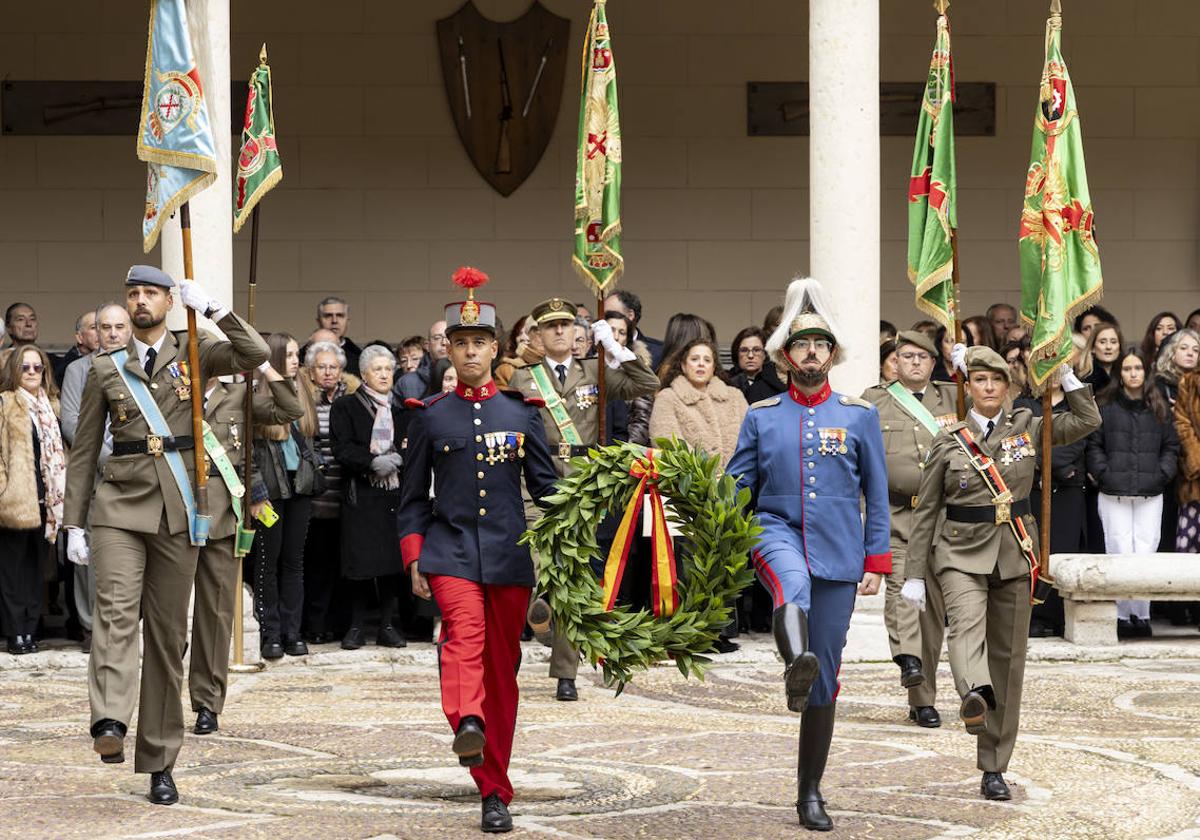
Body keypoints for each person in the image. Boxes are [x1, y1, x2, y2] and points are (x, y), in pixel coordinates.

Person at [63, 266, 268, 805]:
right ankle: (108, 718)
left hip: (180, 510)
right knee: (113, 610)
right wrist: (73, 522)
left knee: (166, 637)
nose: (140, 301)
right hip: (118, 506)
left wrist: (216, 310)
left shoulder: (199, 351)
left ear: (170, 300)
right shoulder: (106, 367)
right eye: (132, 293)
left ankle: (159, 761)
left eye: (150, 292)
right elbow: (85, 450)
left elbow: (254, 355)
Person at [726, 277, 889, 832]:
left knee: (828, 678)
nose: (812, 351)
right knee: (788, 584)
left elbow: (878, 493)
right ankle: (794, 661)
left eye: (821, 344)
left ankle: (810, 792)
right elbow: (735, 483)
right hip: (776, 530)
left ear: (833, 354)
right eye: (802, 344)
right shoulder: (762, 414)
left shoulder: (859, 415)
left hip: (841, 551)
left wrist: (876, 559)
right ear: (784, 355)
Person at [399, 270, 559, 834]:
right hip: (451, 551)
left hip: (509, 557)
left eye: (479, 343)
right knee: (462, 640)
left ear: (495, 348)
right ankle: (467, 718)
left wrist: (599, 497)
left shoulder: (522, 412)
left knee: (503, 672)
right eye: (460, 343)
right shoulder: (429, 414)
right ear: (449, 348)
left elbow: (547, 487)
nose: (469, 352)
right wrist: (414, 556)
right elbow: (413, 497)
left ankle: (495, 788)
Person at [904, 344, 1099, 802]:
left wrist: (1068, 379)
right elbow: (927, 511)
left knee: (1009, 663)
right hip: (958, 553)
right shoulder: (948, 440)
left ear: (1009, 388)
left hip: (1014, 552)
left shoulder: (1030, 426)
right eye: (979, 381)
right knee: (965, 629)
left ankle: (994, 766)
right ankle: (973, 693)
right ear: (967, 387)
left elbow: (1087, 422)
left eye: (997, 381)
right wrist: (914, 573)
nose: (989, 388)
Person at [508, 297, 659, 701]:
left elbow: (648, 385)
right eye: (550, 326)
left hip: (583, 483)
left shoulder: (597, 371)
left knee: (574, 579)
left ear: (577, 332)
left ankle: (565, 674)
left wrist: (615, 349)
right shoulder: (521, 378)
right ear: (537, 335)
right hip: (534, 481)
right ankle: (541, 609)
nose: (560, 331)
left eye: (566, 325)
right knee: (541, 562)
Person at [188, 355, 301, 736]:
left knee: (216, 614)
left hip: (220, 515)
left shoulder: (238, 395)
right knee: (169, 619)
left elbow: (290, 407)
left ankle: (207, 702)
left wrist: (264, 364)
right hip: (171, 512)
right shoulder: (170, 396)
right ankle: (167, 693)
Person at [862, 330, 956, 729]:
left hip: (943, 522)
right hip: (897, 516)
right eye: (907, 356)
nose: (915, 362)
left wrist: (971, 363)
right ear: (894, 362)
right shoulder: (873, 402)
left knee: (931, 614)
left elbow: (998, 405)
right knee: (902, 595)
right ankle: (908, 659)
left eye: (923, 356)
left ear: (934, 363)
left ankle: (922, 700)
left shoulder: (955, 397)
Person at [649, 337, 748, 653]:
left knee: (728, 558)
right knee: (694, 561)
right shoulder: (669, 398)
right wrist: (699, 479)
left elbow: (750, 438)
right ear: (682, 364)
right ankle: (695, 631)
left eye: (707, 359)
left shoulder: (733, 397)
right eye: (695, 359)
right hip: (690, 493)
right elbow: (665, 440)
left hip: (732, 490)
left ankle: (720, 630)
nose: (702, 364)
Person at [1088, 349, 1178, 639]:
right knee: (1118, 550)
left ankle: (1142, 615)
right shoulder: (1105, 405)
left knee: (1145, 551)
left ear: (1146, 371)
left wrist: (1162, 474)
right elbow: (1094, 445)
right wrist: (1103, 473)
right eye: (1127, 369)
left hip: (1150, 492)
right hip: (1113, 491)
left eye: (1138, 367)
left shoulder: (1159, 407)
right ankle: (1122, 616)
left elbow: (1171, 448)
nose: (1133, 373)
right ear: (1120, 373)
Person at [60, 303, 132, 653]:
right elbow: (72, 423)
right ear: (94, 335)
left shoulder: (138, 366)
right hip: (98, 471)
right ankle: (90, 624)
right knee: (89, 550)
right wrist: (112, 458)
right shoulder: (79, 368)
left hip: (136, 474)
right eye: (106, 328)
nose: (114, 334)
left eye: (120, 327)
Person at [331, 345, 408, 649]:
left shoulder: (403, 409)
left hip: (394, 496)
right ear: (363, 374)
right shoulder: (346, 407)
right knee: (360, 565)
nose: (384, 374)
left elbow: (412, 444)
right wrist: (371, 461)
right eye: (377, 369)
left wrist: (399, 458)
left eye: (388, 369)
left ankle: (388, 626)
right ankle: (356, 627)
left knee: (392, 564)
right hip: (361, 494)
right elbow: (342, 447)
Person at [250, 334, 321, 662]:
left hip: (299, 486)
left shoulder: (302, 388)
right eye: (289, 355)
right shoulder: (257, 395)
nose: (296, 360)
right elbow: (247, 448)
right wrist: (255, 492)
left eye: (297, 354)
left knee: (294, 562)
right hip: (269, 488)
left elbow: (310, 437)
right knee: (268, 561)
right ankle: (270, 631)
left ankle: (293, 631)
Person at [0, 345, 65, 655]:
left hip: (45, 500)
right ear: (14, 370)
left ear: (44, 372)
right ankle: (15, 632)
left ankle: (30, 628)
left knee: (37, 568)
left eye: (36, 368)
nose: (30, 372)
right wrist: (4, 492)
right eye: (24, 367)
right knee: (11, 570)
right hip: (14, 499)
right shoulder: (4, 403)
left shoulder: (51, 407)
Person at [301, 340, 359, 644]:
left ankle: (341, 624)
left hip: (346, 495)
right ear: (311, 372)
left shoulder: (352, 399)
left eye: (333, 367)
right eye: (321, 367)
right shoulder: (305, 401)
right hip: (316, 498)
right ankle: (315, 625)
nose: (327, 372)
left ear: (341, 370)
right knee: (318, 566)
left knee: (343, 566)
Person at [603, 288, 663, 368]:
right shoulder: (596, 347)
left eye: (611, 314)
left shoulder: (659, 352)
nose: (605, 320)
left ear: (630, 315)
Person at [310, 296, 361, 377]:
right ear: (318, 321)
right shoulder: (300, 358)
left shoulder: (359, 359)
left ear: (347, 321)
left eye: (340, 315)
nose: (334, 321)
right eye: (328, 316)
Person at [53, 309, 99, 385]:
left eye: (103, 327)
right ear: (79, 337)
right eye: (93, 327)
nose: (99, 332)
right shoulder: (68, 367)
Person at [1078, 321, 1123, 393]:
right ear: (1093, 348)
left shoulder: (1125, 377)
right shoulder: (1085, 382)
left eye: (1113, 342)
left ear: (1120, 348)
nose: (1108, 347)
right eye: (1102, 342)